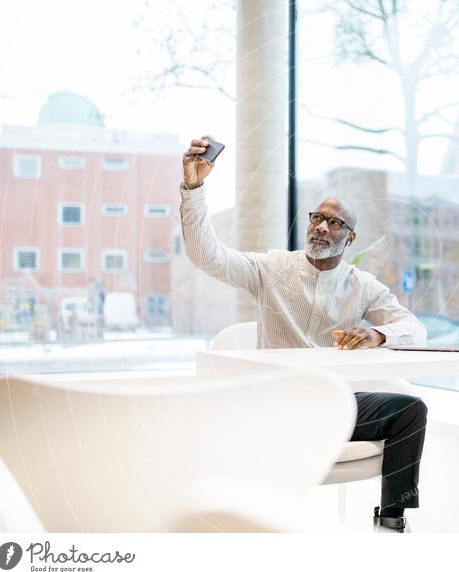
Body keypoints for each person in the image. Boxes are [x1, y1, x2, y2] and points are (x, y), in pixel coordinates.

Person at [179, 135, 428, 532]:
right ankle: (253, 521)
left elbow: (414, 328)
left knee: (410, 410)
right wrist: (194, 188)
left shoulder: (362, 285)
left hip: (334, 403)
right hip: (277, 405)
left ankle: (392, 521)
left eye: (335, 223)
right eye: (317, 217)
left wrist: (376, 334)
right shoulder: (271, 269)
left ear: (351, 238)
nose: (322, 227)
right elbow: (206, 255)